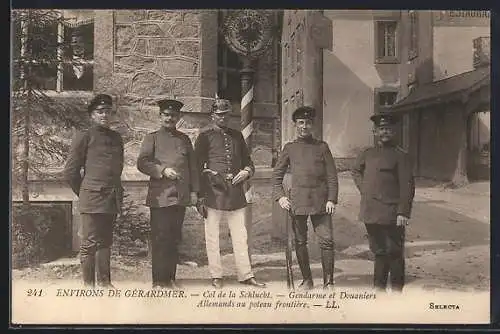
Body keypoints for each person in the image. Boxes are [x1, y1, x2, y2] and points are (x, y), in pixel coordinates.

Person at [194, 98, 266, 289]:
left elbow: (248, 162)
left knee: (240, 235)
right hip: (213, 191)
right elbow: (196, 166)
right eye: (219, 115)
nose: (223, 118)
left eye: (226, 114)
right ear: (213, 116)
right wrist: (200, 193)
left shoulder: (237, 136)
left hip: (235, 192)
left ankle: (246, 274)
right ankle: (216, 275)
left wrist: (246, 172)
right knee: (212, 235)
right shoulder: (205, 137)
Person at [273, 106, 339, 290]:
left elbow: (332, 176)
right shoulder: (290, 148)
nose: (304, 126)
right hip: (298, 202)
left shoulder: (322, 147)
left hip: (321, 202)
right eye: (301, 123)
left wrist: (332, 199)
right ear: (295, 125)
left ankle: (329, 283)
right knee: (300, 241)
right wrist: (280, 197)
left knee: (326, 241)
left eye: (308, 123)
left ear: (313, 125)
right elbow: (276, 175)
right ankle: (307, 280)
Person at [136, 99, 199, 289]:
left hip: (179, 196)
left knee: (174, 238)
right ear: (160, 116)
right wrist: (162, 170)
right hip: (161, 196)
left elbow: (193, 167)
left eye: (173, 115)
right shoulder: (152, 138)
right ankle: (158, 281)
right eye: (166, 115)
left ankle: (170, 279)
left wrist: (195, 192)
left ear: (178, 117)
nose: (170, 118)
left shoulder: (184, 139)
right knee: (161, 237)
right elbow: (142, 162)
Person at [64, 94, 124, 288]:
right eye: (100, 112)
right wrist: (83, 192)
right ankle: (88, 286)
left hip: (111, 198)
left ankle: (106, 284)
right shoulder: (85, 136)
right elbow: (71, 171)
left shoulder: (116, 138)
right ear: (92, 115)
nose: (104, 115)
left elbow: (117, 170)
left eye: (108, 111)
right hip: (91, 197)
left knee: (106, 242)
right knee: (89, 243)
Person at [351, 111, 415, 293]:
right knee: (378, 252)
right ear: (375, 132)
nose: (384, 132)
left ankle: (396, 292)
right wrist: (365, 189)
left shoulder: (401, 155)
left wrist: (403, 211)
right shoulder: (367, 153)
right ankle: (378, 289)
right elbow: (355, 171)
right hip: (371, 212)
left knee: (394, 252)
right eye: (381, 129)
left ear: (394, 131)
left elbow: (407, 186)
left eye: (388, 129)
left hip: (392, 213)